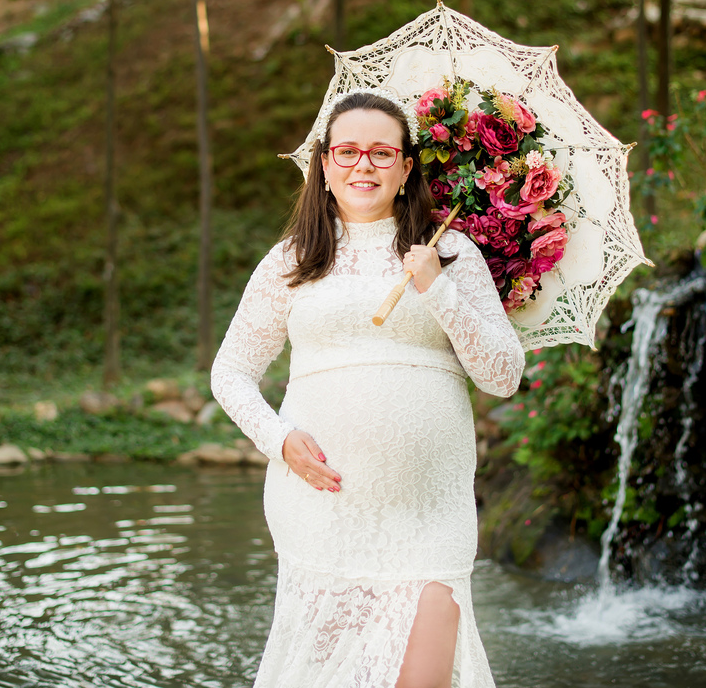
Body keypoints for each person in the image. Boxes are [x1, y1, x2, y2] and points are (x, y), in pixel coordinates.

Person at [211, 89, 525, 688]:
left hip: (430, 512)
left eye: (382, 153)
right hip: (322, 506)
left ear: (407, 168)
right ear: (325, 166)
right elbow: (230, 373)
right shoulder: (292, 259)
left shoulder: (452, 252)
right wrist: (278, 439)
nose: (364, 165)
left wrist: (439, 289)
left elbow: (503, 376)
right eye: (348, 151)